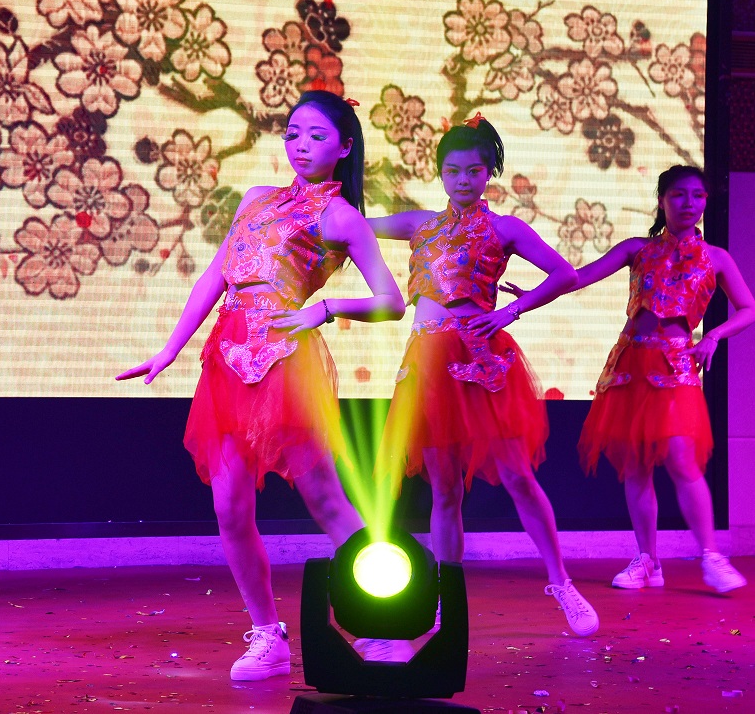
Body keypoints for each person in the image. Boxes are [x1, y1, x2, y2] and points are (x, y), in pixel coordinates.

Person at [118, 91, 405, 679]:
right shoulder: (256, 199)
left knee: (326, 501)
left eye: (317, 136)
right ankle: (267, 636)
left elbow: (392, 301)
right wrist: (169, 349)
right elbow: (216, 276)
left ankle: (388, 622)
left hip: (287, 365)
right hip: (228, 362)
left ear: (344, 147)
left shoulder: (341, 218)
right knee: (229, 507)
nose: (301, 145)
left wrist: (325, 309)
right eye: (293, 133)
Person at [368, 115, 597, 636]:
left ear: (489, 172)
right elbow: (355, 226)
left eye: (473, 171)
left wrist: (514, 310)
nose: (463, 180)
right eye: (452, 171)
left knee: (518, 476)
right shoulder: (420, 224)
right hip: (428, 365)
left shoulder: (504, 228)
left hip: (481, 360)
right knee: (445, 490)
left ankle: (562, 582)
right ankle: (446, 596)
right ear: (440, 173)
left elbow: (565, 273)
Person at [565, 165, 752, 593]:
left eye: (698, 196)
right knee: (635, 467)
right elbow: (581, 276)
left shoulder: (716, 257)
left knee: (683, 460)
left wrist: (713, 336)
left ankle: (711, 556)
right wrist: (532, 296)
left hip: (677, 366)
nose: (689, 203)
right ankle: (647, 560)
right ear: (662, 200)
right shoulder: (638, 249)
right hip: (630, 365)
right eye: (679, 194)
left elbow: (748, 308)